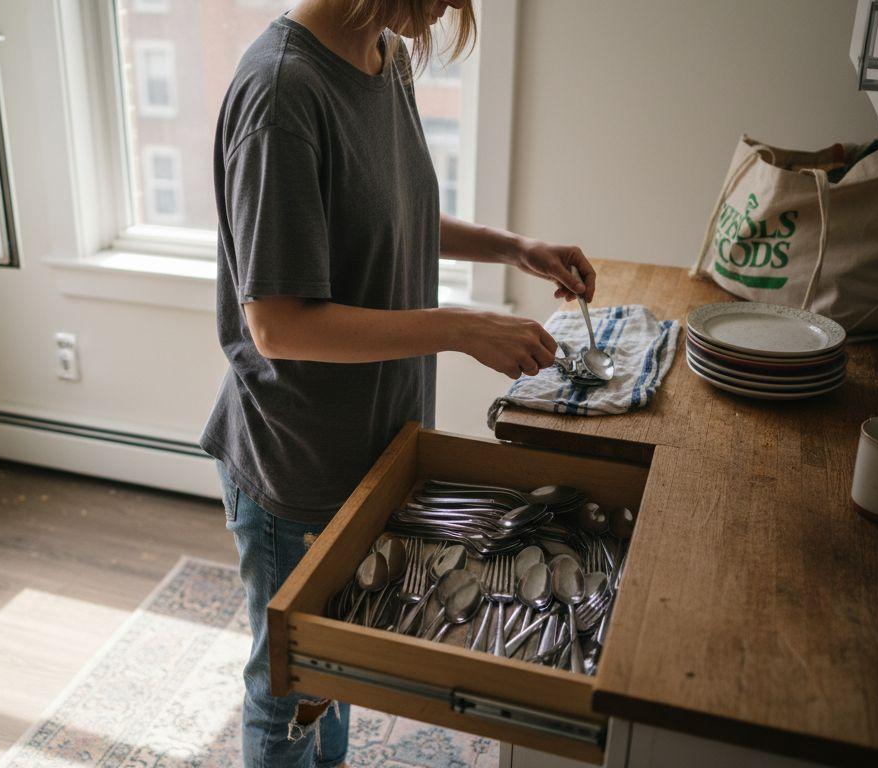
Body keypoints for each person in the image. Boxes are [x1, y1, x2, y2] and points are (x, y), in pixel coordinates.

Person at [202, 0, 596, 764]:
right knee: (289, 686)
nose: (453, 5)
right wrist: (458, 327)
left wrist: (516, 248)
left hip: (376, 450)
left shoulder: (386, 57)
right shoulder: (282, 93)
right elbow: (279, 326)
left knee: (339, 666)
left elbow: (392, 213)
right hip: (300, 462)